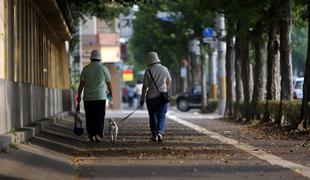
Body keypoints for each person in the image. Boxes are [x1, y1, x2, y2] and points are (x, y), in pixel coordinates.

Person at [77, 49, 112, 143]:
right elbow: (108, 83)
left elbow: (81, 84)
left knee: (89, 117)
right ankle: (99, 135)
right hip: (100, 97)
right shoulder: (104, 68)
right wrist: (111, 93)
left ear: (91, 58)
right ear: (100, 58)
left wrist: (79, 95)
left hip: (88, 98)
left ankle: (91, 135)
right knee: (100, 117)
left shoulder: (86, 68)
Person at [140, 52, 172, 142]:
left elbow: (145, 86)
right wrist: (165, 90)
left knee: (153, 116)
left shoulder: (148, 71)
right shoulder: (164, 69)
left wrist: (142, 97)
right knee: (162, 116)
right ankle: (160, 132)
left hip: (151, 98)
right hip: (162, 97)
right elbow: (169, 81)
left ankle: (154, 135)